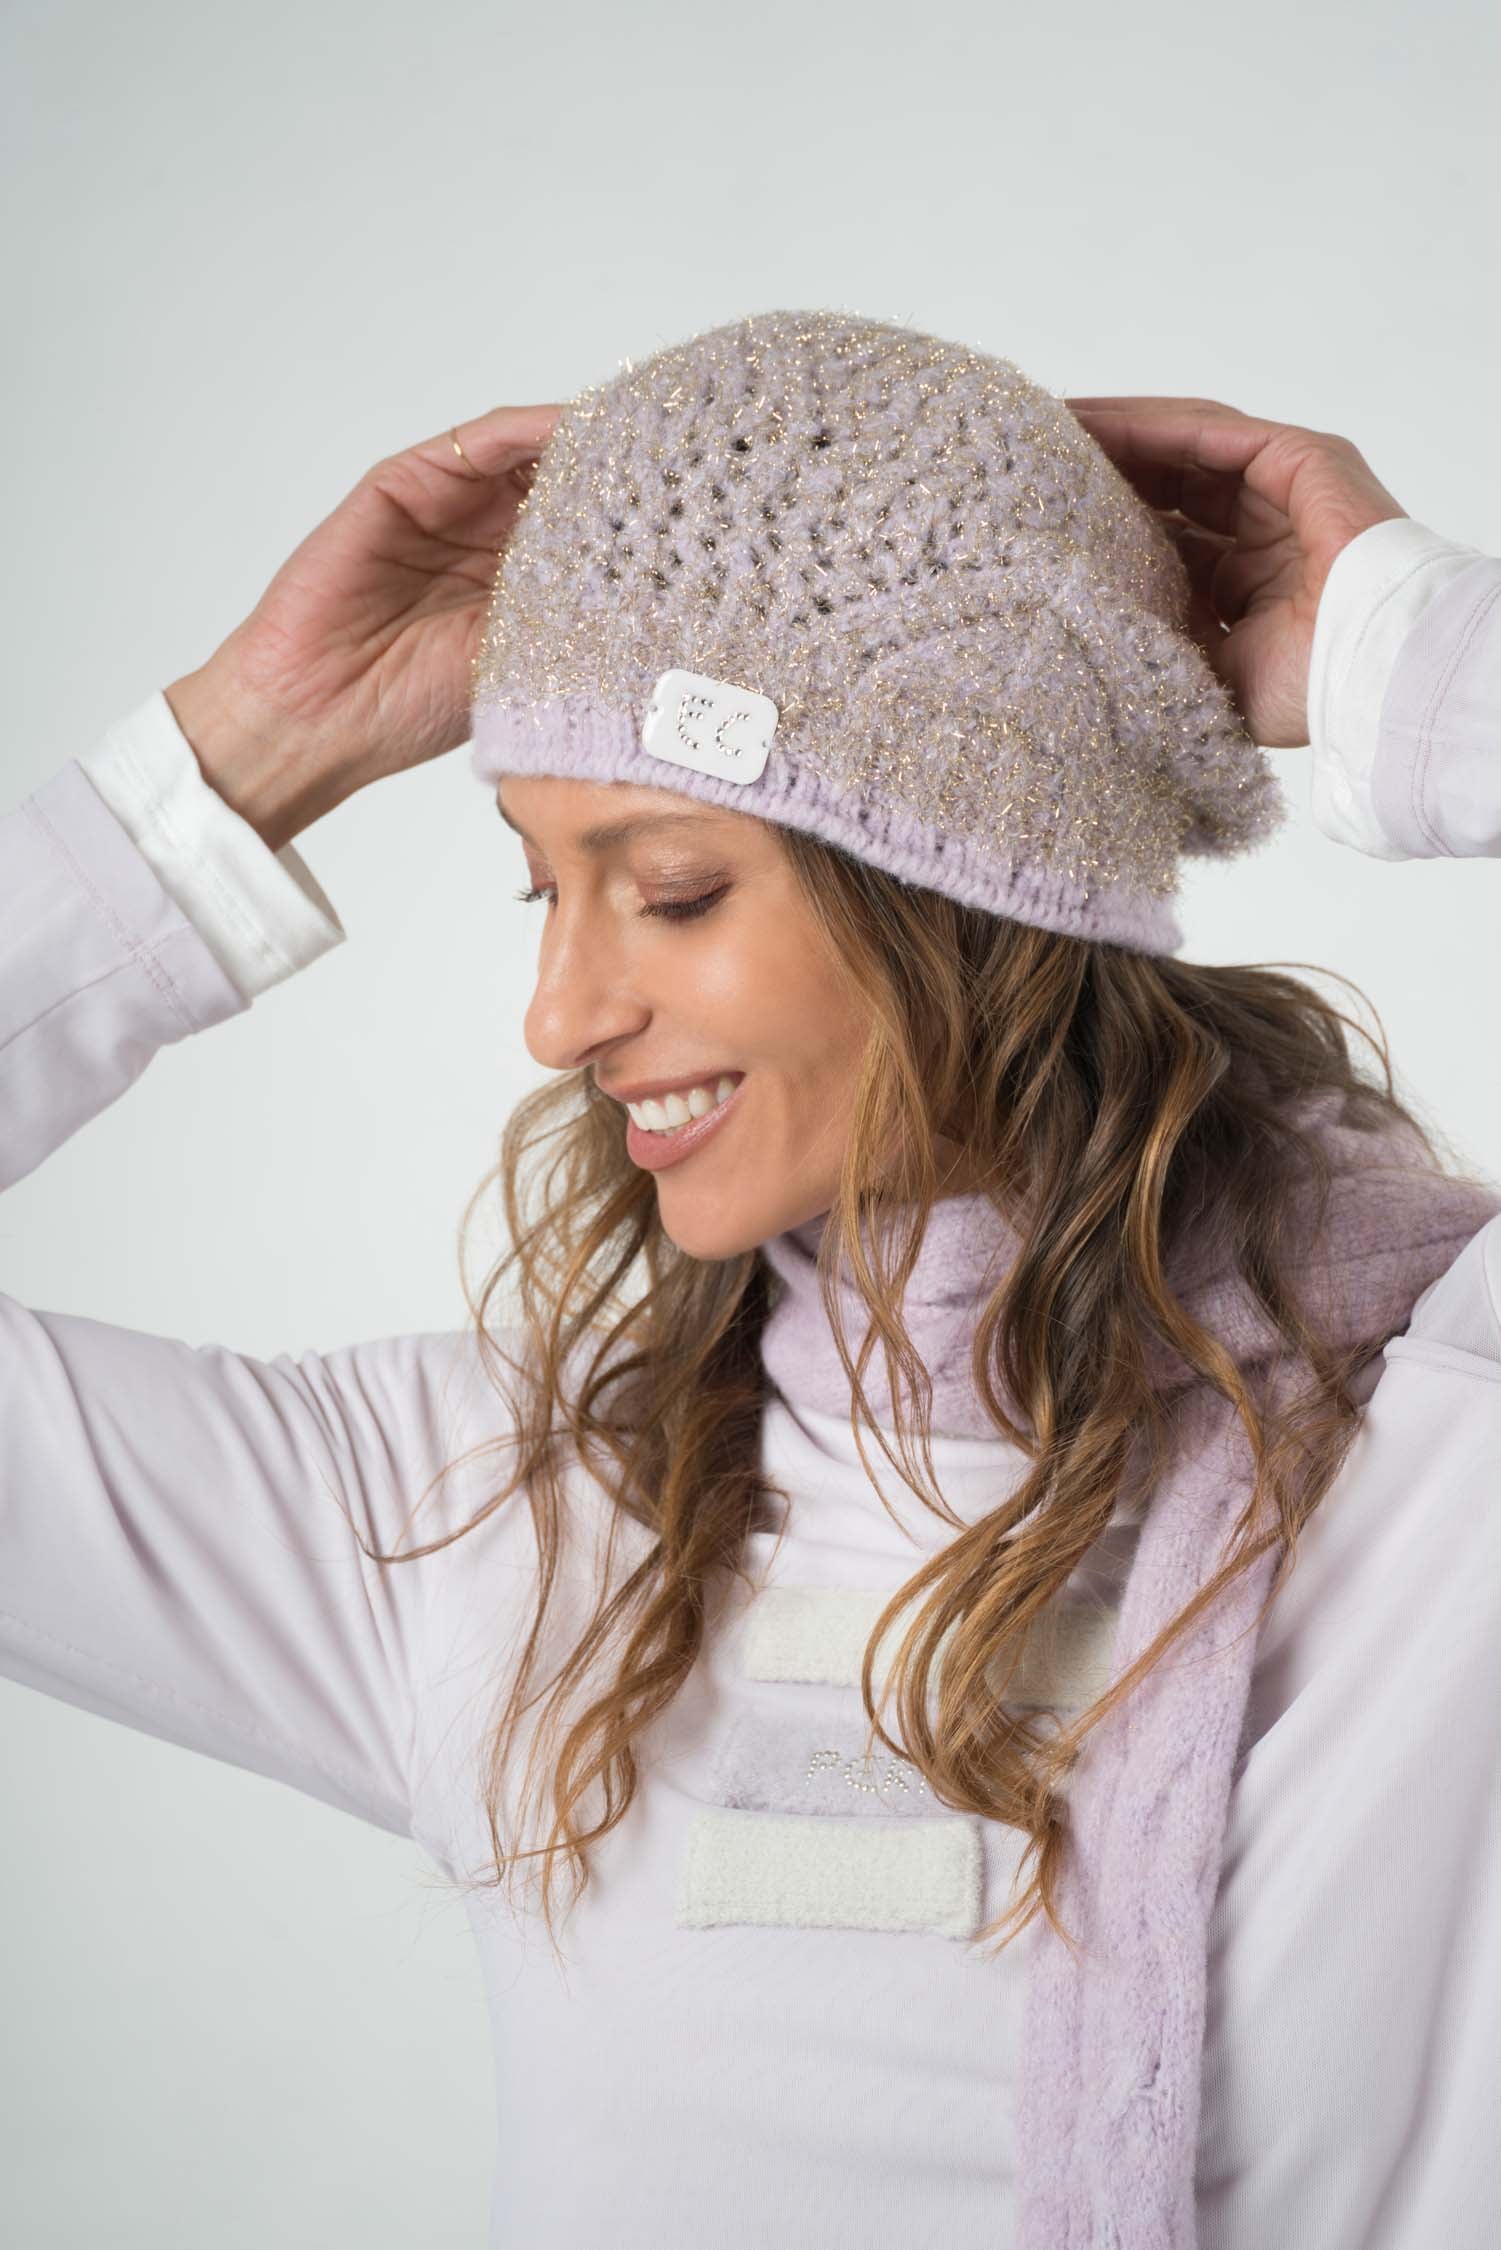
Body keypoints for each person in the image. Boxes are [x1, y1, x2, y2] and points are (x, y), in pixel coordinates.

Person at [4, 309, 1499, 2250]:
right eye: (541, 885)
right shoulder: (482, 1518)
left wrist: (1423, 673)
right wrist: (234, 765)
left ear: (972, 895)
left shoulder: (1446, 1452)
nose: (559, 1014)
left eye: (673, 888)